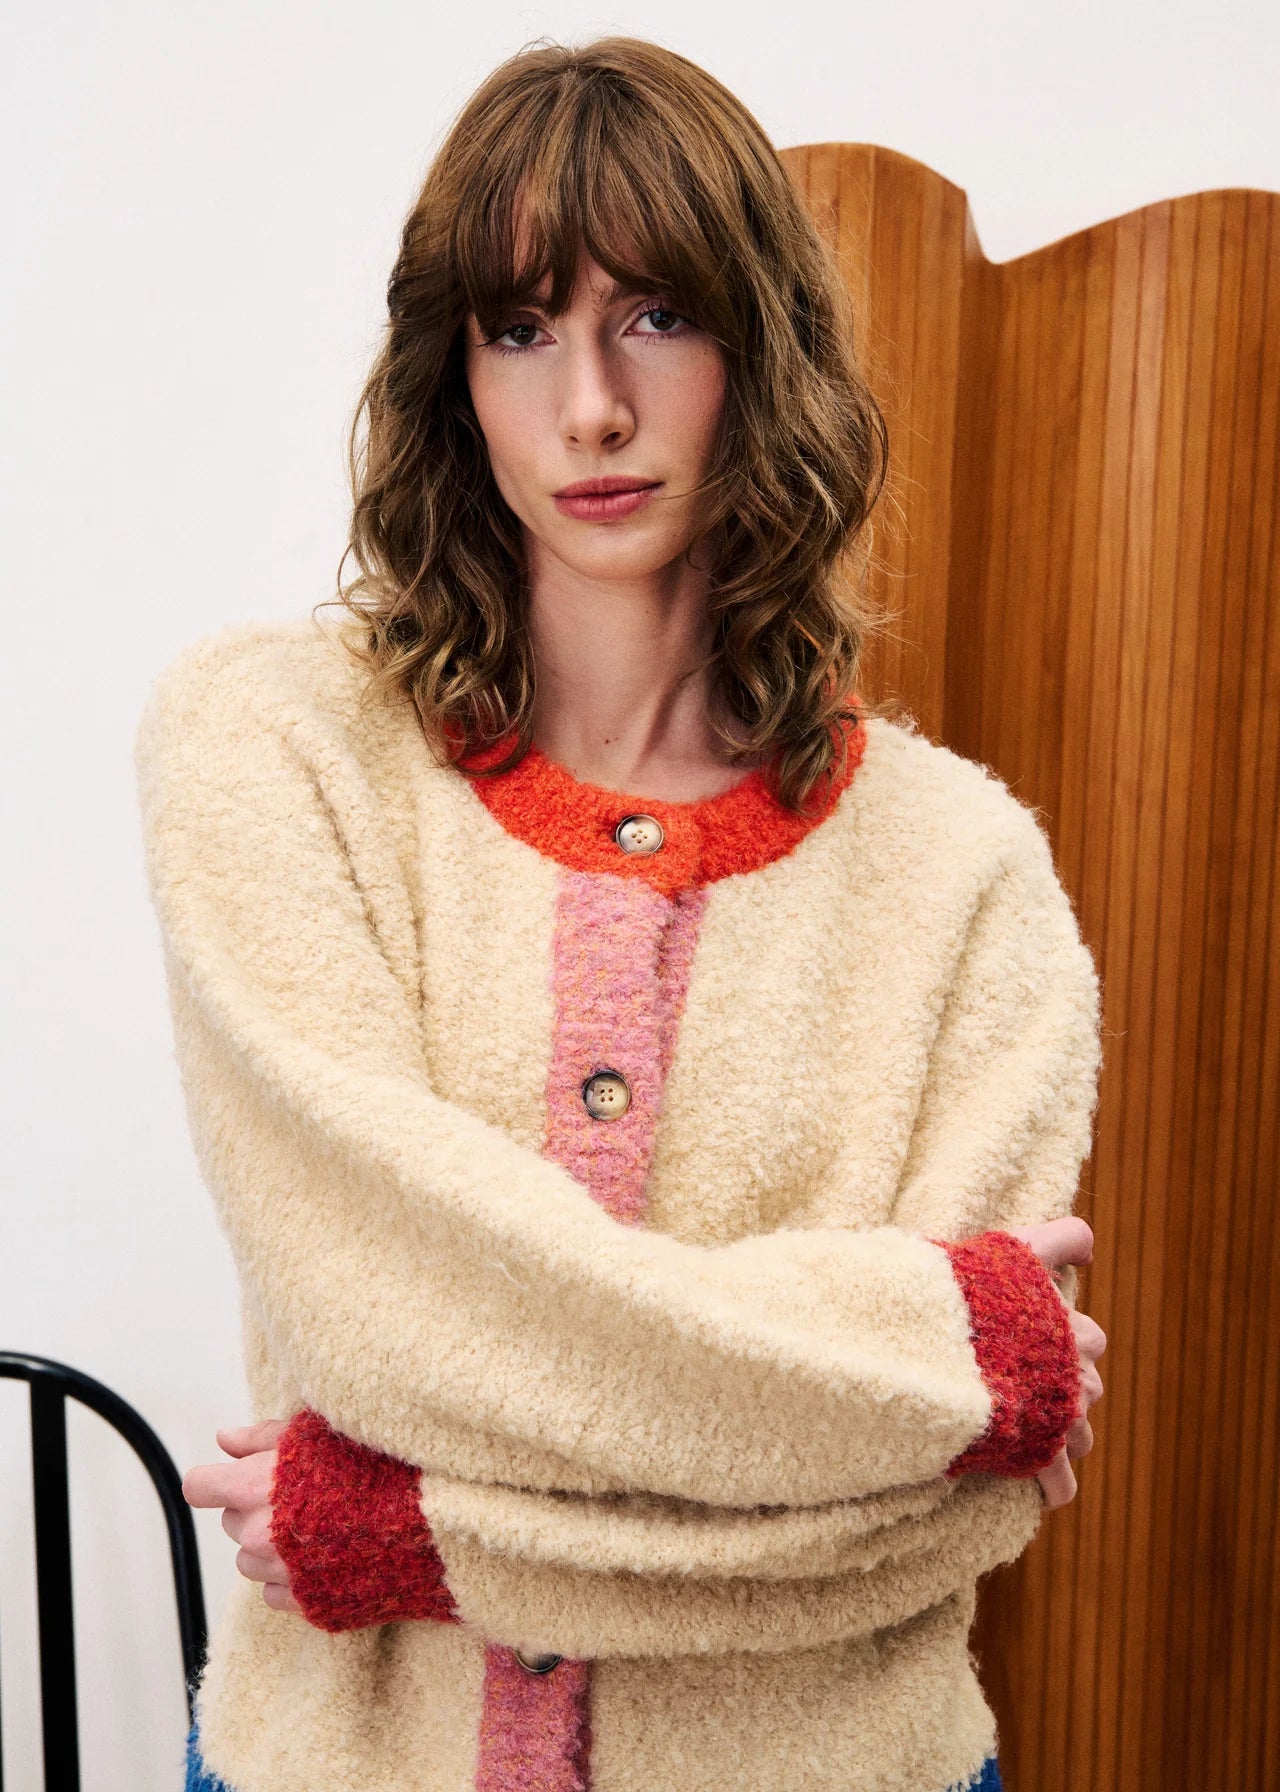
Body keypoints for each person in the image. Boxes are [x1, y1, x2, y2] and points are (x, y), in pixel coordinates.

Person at [135, 34, 1107, 1792]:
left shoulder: (967, 872)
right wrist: (933, 1344)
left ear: (765, 351)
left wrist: (407, 1534)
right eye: (521, 330)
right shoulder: (272, 755)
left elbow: (934, 1516)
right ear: (458, 381)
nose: (591, 404)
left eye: (656, 315)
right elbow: (394, 1308)